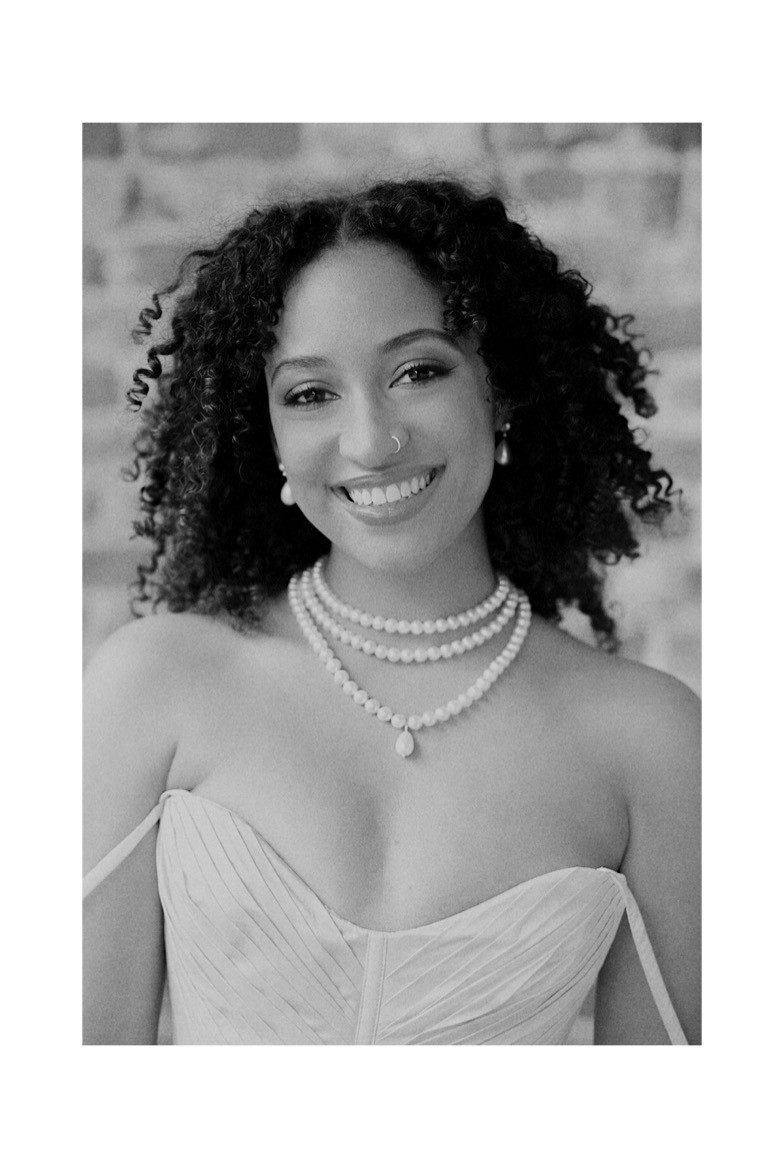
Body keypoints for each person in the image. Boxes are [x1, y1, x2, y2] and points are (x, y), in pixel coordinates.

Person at [83, 177, 700, 1045]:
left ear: (502, 390)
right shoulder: (152, 687)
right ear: (267, 435)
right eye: (309, 394)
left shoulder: (652, 741)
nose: (372, 442)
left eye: (418, 372)